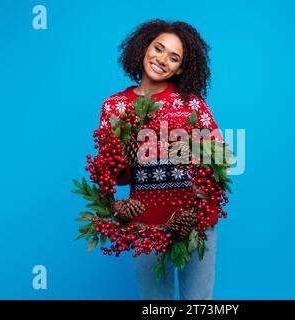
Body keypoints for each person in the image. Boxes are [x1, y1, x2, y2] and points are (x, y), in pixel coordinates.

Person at [98, 19, 222, 300]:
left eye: (174, 57)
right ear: (143, 48)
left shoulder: (192, 104)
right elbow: (117, 177)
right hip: (148, 226)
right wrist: (122, 151)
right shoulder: (114, 107)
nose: (162, 59)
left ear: (180, 68)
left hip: (195, 223)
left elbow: (218, 156)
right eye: (158, 48)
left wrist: (208, 181)